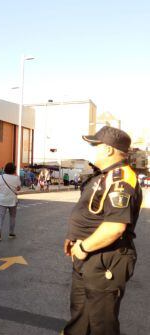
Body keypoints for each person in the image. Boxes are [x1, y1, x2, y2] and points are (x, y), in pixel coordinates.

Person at [62, 126, 142, 335]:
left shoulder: (121, 179)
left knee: (101, 324)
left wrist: (84, 247)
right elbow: (90, 213)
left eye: (94, 145)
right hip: (88, 257)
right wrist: (74, 237)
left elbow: (115, 227)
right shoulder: (102, 175)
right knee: (80, 316)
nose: (91, 150)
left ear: (108, 150)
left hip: (105, 258)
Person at [0, 162, 21, 241]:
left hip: (1, 200)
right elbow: (18, 189)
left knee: (0, 217)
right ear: (14, 170)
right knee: (12, 217)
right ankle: (11, 233)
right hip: (12, 200)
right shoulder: (16, 178)